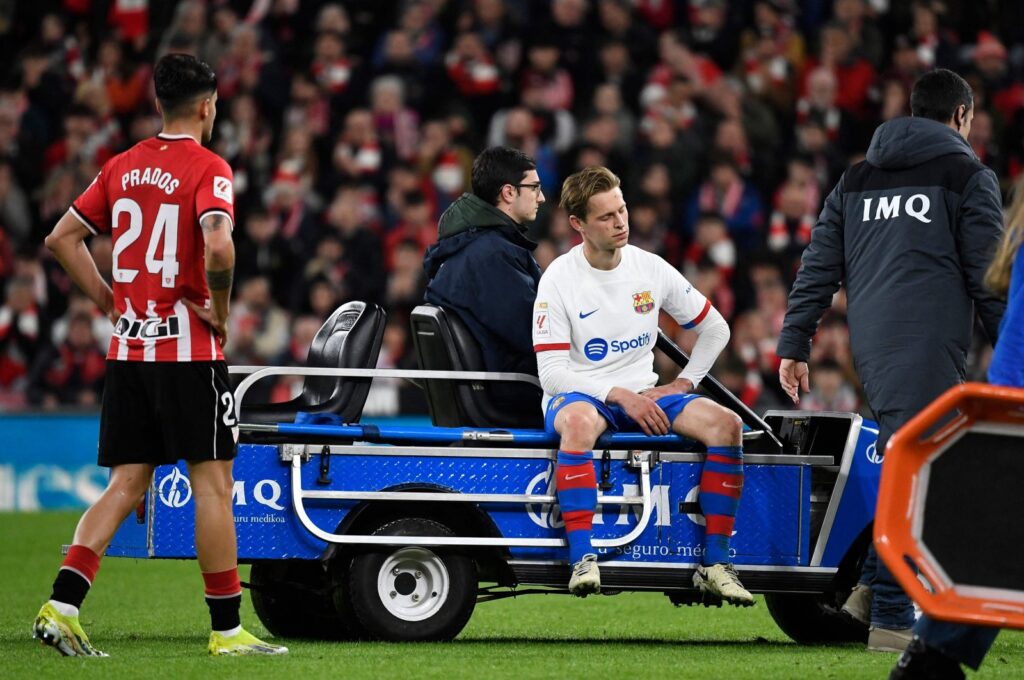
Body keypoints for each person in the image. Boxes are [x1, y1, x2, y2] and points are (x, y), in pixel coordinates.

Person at [32, 54, 287, 657]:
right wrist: (220, 312)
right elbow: (219, 246)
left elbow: (61, 239)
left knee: (125, 483)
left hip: (129, 351)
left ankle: (61, 606)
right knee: (215, 485)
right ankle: (227, 631)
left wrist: (107, 300)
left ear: (156, 105)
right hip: (189, 354)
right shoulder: (209, 166)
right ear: (207, 106)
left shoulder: (120, 166)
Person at [776, 69, 1005, 654]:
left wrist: (795, 342)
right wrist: (1012, 354)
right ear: (960, 117)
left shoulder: (857, 178)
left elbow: (819, 265)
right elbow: (990, 279)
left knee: (908, 462)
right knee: (921, 478)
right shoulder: (966, 176)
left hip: (873, 349)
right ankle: (892, 620)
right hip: (928, 346)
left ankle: (867, 593)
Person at [533, 166, 752, 605]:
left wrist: (684, 383)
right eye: (606, 217)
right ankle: (582, 558)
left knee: (728, 426)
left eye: (623, 209)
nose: (621, 223)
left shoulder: (648, 267)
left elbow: (716, 329)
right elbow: (552, 373)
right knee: (576, 422)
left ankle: (715, 563)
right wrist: (616, 395)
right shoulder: (558, 278)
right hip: (582, 394)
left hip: (647, 394)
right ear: (577, 225)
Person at [889, 175, 1024, 680]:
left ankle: (930, 656)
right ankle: (931, 657)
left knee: (997, 547)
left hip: (1007, 415)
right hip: (1012, 414)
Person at [423, 146, 545, 418]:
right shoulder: (491, 255)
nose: (542, 197)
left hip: (498, 389)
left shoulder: (469, 247)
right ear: (509, 192)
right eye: (535, 188)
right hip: (518, 395)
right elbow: (536, 336)